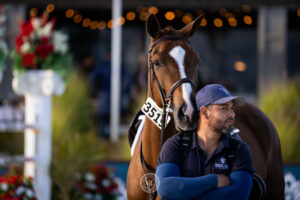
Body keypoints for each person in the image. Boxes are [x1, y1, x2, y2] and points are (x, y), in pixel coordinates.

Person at [155, 84, 253, 200]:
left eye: (231, 108)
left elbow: (238, 195)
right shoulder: (176, 145)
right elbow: (165, 188)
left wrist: (184, 194)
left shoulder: (238, 150)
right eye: (224, 108)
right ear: (204, 113)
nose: (231, 114)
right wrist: (214, 180)